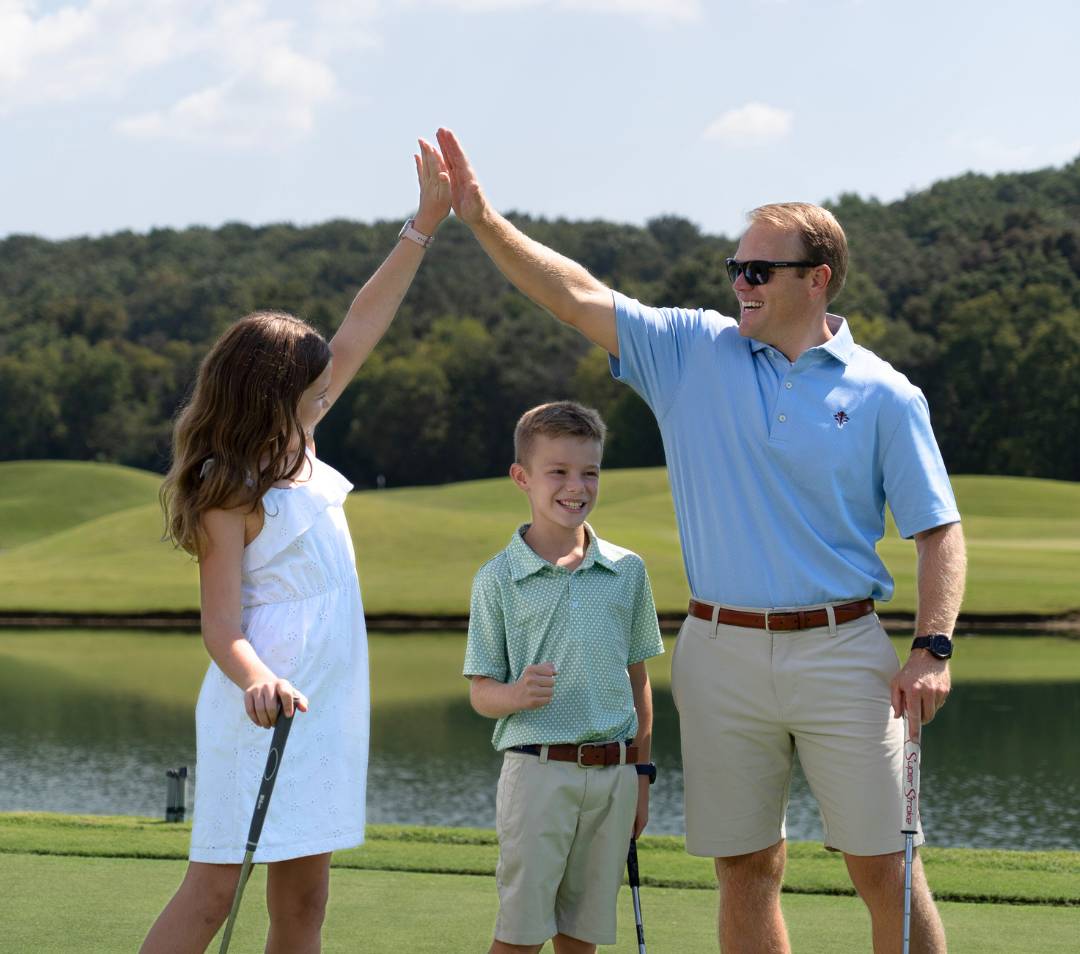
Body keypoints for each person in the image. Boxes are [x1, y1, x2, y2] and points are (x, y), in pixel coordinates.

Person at [437, 127, 966, 954]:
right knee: (747, 867)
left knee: (885, 870)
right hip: (719, 650)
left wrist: (932, 648)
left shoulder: (887, 397)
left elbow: (939, 531)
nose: (740, 284)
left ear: (816, 279)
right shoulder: (692, 350)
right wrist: (480, 218)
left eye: (758, 271)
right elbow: (573, 293)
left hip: (844, 651)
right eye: (735, 269)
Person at [139, 139, 451, 954]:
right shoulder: (226, 484)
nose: (328, 383)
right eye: (313, 378)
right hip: (265, 705)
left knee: (305, 900)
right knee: (213, 891)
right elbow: (221, 626)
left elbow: (363, 321)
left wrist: (422, 225)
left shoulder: (301, 437)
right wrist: (256, 680)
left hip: (329, 703)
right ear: (271, 391)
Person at [464, 401, 665, 954]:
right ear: (522, 477)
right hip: (537, 776)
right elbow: (481, 691)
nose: (576, 486)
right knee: (521, 937)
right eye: (558, 472)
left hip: (616, 778)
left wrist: (642, 778)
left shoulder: (627, 570)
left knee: (582, 938)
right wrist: (514, 694)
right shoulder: (497, 578)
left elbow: (638, 683)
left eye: (589, 472)